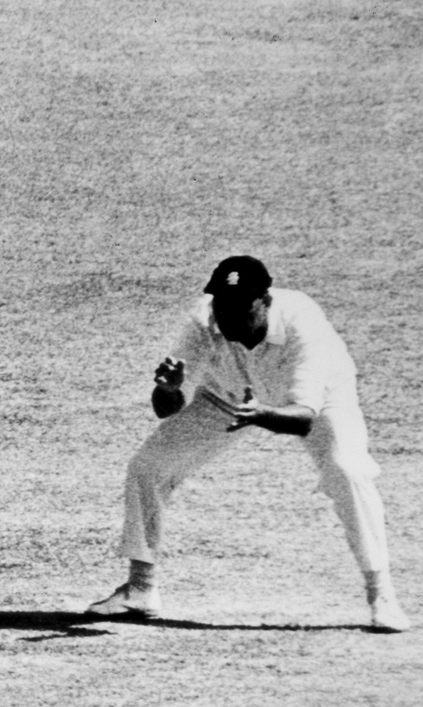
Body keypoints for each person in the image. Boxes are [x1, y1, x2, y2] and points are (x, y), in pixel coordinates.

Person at [87, 255, 409, 632]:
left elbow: (303, 418)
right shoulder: (202, 321)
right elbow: (165, 409)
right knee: (149, 466)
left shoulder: (302, 323)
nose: (228, 315)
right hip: (223, 396)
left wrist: (261, 414)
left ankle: (381, 594)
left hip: (319, 399)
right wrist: (169, 389)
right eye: (222, 304)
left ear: (265, 302)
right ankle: (140, 588)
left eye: (241, 306)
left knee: (347, 470)